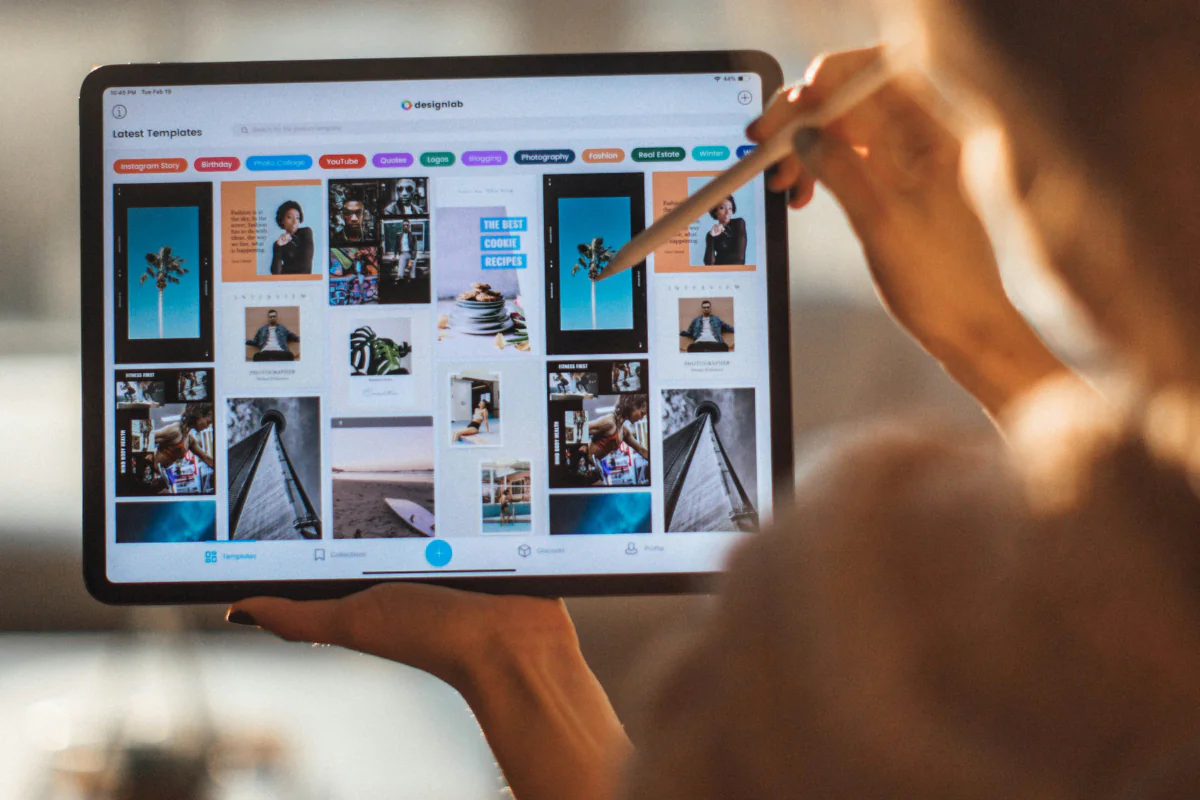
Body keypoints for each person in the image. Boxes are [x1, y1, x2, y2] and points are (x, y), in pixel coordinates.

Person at [227, 3, 1200, 798]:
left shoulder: (881, 594)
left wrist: (513, 667)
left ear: (1042, 167)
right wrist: (514, 654)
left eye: (979, 106)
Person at [269, 200, 314, 275]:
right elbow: (275, 273)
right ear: (282, 220)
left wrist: (284, 269)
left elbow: (305, 266)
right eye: (289, 217)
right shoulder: (278, 244)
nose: (295, 221)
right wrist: (278, 246)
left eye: (297, 218)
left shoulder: (306, 232)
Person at [702, 195, 747, 266]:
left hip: (737, 273)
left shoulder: (739, 223)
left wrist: (717, 261)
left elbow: (739, 257)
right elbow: (709, 264)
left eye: (730, 209)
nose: (727, 212)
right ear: (715, 211)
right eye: (722, 208)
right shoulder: (710, 234)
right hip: (719, 274)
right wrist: (711, 237)